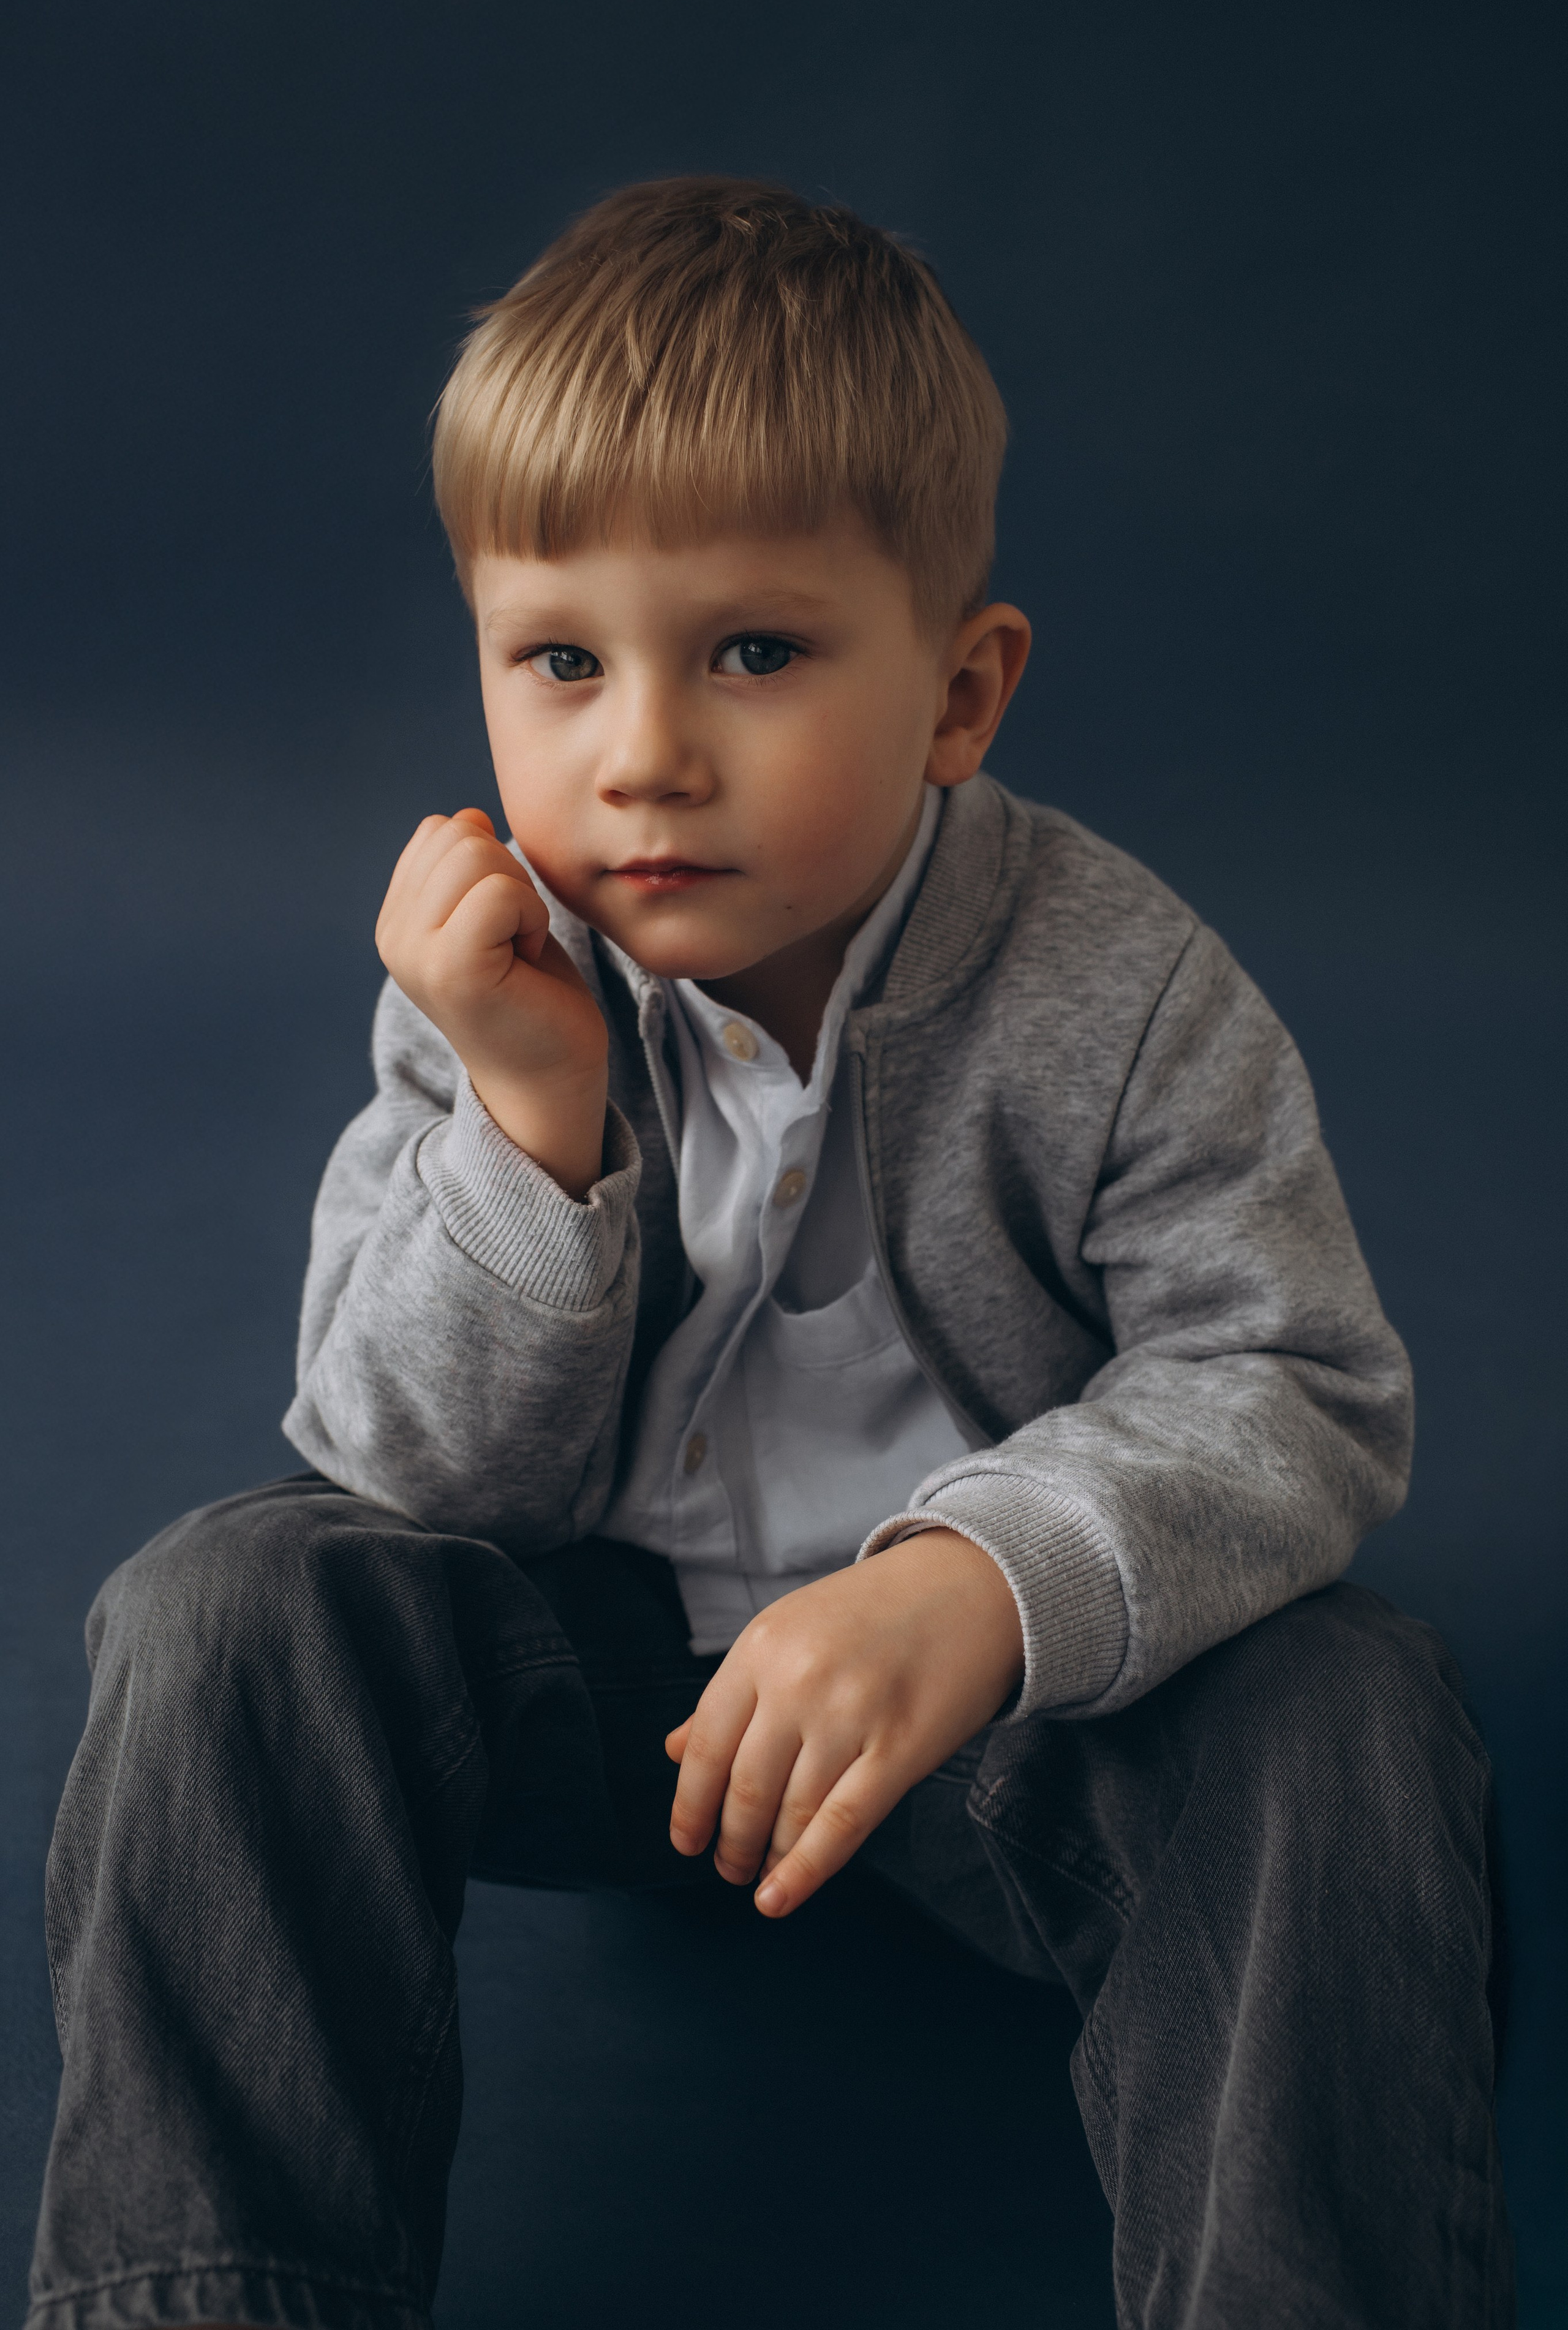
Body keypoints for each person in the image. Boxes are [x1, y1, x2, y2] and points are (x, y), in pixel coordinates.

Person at [28, 177, 1512, 2330]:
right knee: (225, 1605)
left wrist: (971, 1590)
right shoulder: (503, 976)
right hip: (609, 1684)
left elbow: (1294, 1384)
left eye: (756, 652)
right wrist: (535, 1128)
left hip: (995, 1725)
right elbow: (409, 1475)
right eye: (560, 661)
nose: (642, 752)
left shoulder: (1124, 984)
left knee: (1356, 1710)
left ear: (959, 692)